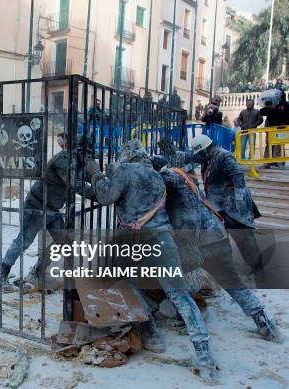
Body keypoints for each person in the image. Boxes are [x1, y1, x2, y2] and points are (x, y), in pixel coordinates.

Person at [85, 140, 219, 384]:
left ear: (127, 156)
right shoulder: (157, 177)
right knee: (180, 296)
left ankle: (151, 333)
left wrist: (95, 172)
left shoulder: (126, 171)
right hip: (163, 238)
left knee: (123, 282)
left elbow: (105, 196)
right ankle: (204, 355)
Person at [151, 155, 283, 343]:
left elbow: (182, 214)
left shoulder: (168, 178)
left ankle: (186, 323)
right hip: (217, 237)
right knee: (233, 283)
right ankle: (265, 324)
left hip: (199, 241)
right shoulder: (184, 176)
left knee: (182, 285)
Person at [0, 143, 92, 293]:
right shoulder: (64, 159)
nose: (89, 158)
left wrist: (99, 178)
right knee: (24, 241)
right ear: (78, 151)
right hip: (36, 206)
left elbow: (88, 177)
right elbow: (75, 184)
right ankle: (2, 274)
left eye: (91, 155)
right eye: (87, 154)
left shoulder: (79, 163)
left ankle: (36, 272)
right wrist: (99, 195)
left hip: (54, 209)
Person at [190, 134, 265, 284]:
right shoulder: (209, 159)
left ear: (205, 149)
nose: (199, 156)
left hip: (234, 207)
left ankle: (259, 271)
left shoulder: (224, 156)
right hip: (219, 206)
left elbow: (238, 178)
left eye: (200, 153)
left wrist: (239, 205)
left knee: (245, 239)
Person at [260, 89, 289, 168]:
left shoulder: (285, 104)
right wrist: (269, 106)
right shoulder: (271, 104)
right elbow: (262, 112)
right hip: (270, 129)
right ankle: (267, 162)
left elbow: (286, 114)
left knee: (279, 145)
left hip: (281, 129)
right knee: (269, 145)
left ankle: (280, 163)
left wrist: (275, 108)